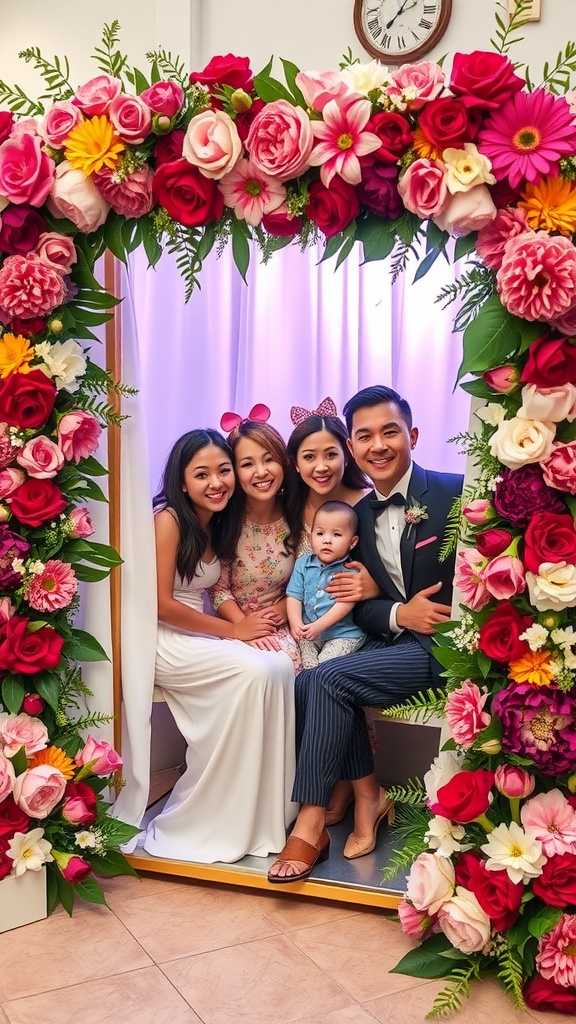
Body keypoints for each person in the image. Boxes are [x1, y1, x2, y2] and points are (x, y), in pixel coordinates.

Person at [267, 385, 463, 883]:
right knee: (319, 678)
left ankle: (312, 821)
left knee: (326, 679)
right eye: (365, 436)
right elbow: (363, 602)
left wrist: (422, 614)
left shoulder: (455, 491)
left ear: (412, 435)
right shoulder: (357, 517)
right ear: (353, 447)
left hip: (442, 649)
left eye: (390, 432)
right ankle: (366, 799)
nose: (378, 445)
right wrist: (398, 612)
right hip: (390, 643)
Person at [144, 428, 297, 864]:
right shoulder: (169, 519)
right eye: (202, 474)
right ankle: (208, 812)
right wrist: (232, 631)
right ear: (182, 479)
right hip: (165, 639)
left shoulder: (217, 523)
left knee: (280, 665)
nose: (217, 482)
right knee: (262, 668)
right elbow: (159, 604)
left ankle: (264, 811)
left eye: (224, 471)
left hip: (197, 632)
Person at [209, 417, 300, 670]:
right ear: (234, 471)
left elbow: (311, 575)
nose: (261, 472)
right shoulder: (224, 520)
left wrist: (284, 609)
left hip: (288, 623)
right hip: (235, 626)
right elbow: (218, 591)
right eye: (247, 464)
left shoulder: (297, 515)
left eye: (269, 459)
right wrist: (244, 627)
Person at [286, 500, 366, 669]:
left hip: (342, 635)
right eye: (320, 534)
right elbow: (294, 596)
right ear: (310, 537)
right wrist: (296, 624)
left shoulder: (350, 570)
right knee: (306, 665)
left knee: (323, 666)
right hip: (309, 632)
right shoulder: (303, 564)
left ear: (352, 542)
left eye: (337, 535)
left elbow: (345, 604)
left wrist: (319, 626)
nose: (327, 540)